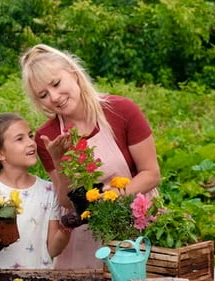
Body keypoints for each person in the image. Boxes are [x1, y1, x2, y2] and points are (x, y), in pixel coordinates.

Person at [19, 44, 160, 269]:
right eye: (43, 95)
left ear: (73, 74)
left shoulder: (121, 111)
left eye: (56, 83)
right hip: (86, 239)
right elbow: (66, 201)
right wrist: (57, 158)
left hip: (136, 227)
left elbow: (151, 174)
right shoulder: (48, 136)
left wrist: (111, 197)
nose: (54, 97)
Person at [0, 112, 71, 269]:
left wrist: (65, 229)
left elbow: (52, 249)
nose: (31, 142)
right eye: (20, 139)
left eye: (30, 136)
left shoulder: (49, 191)